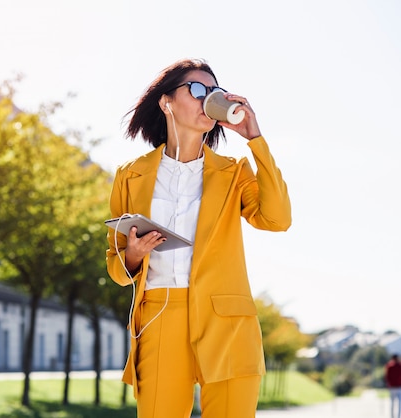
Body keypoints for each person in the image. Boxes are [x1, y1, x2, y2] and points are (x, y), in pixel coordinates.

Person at [105, 58, 291, 418]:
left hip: (227, 323)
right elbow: (116, 267)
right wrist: (133, 255)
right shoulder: (130, 176)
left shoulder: (233, 173)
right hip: (159, 316)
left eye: (213, 92)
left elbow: (277, 218)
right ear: (166, 101)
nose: (208, 98)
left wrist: (255, 139)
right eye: (197, 89)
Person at [385, 354, 401, 418]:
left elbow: (387, 377)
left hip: (392, 387)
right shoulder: (399, 366)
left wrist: (388, 384)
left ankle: (392, 416)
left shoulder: (389, 365)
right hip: (398, 386)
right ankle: (398, 416)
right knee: (399, 402)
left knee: (392, 402)